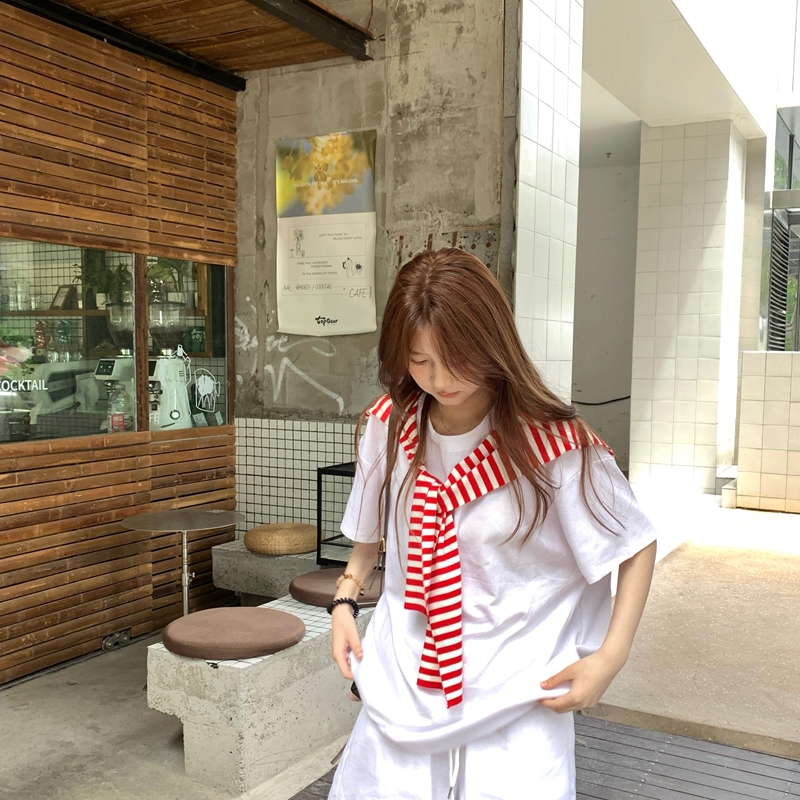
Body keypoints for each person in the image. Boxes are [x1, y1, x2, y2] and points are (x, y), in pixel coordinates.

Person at [326, 248, 657, 800]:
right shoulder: (390, 427)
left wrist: (611, 657)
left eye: (458, 357)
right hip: (403, 683)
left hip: (517, 690)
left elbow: (635, 543)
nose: (440, 379)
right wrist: (344, 603)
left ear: (492, 340)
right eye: (420, 360)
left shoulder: (551, 445)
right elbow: (368, 541)